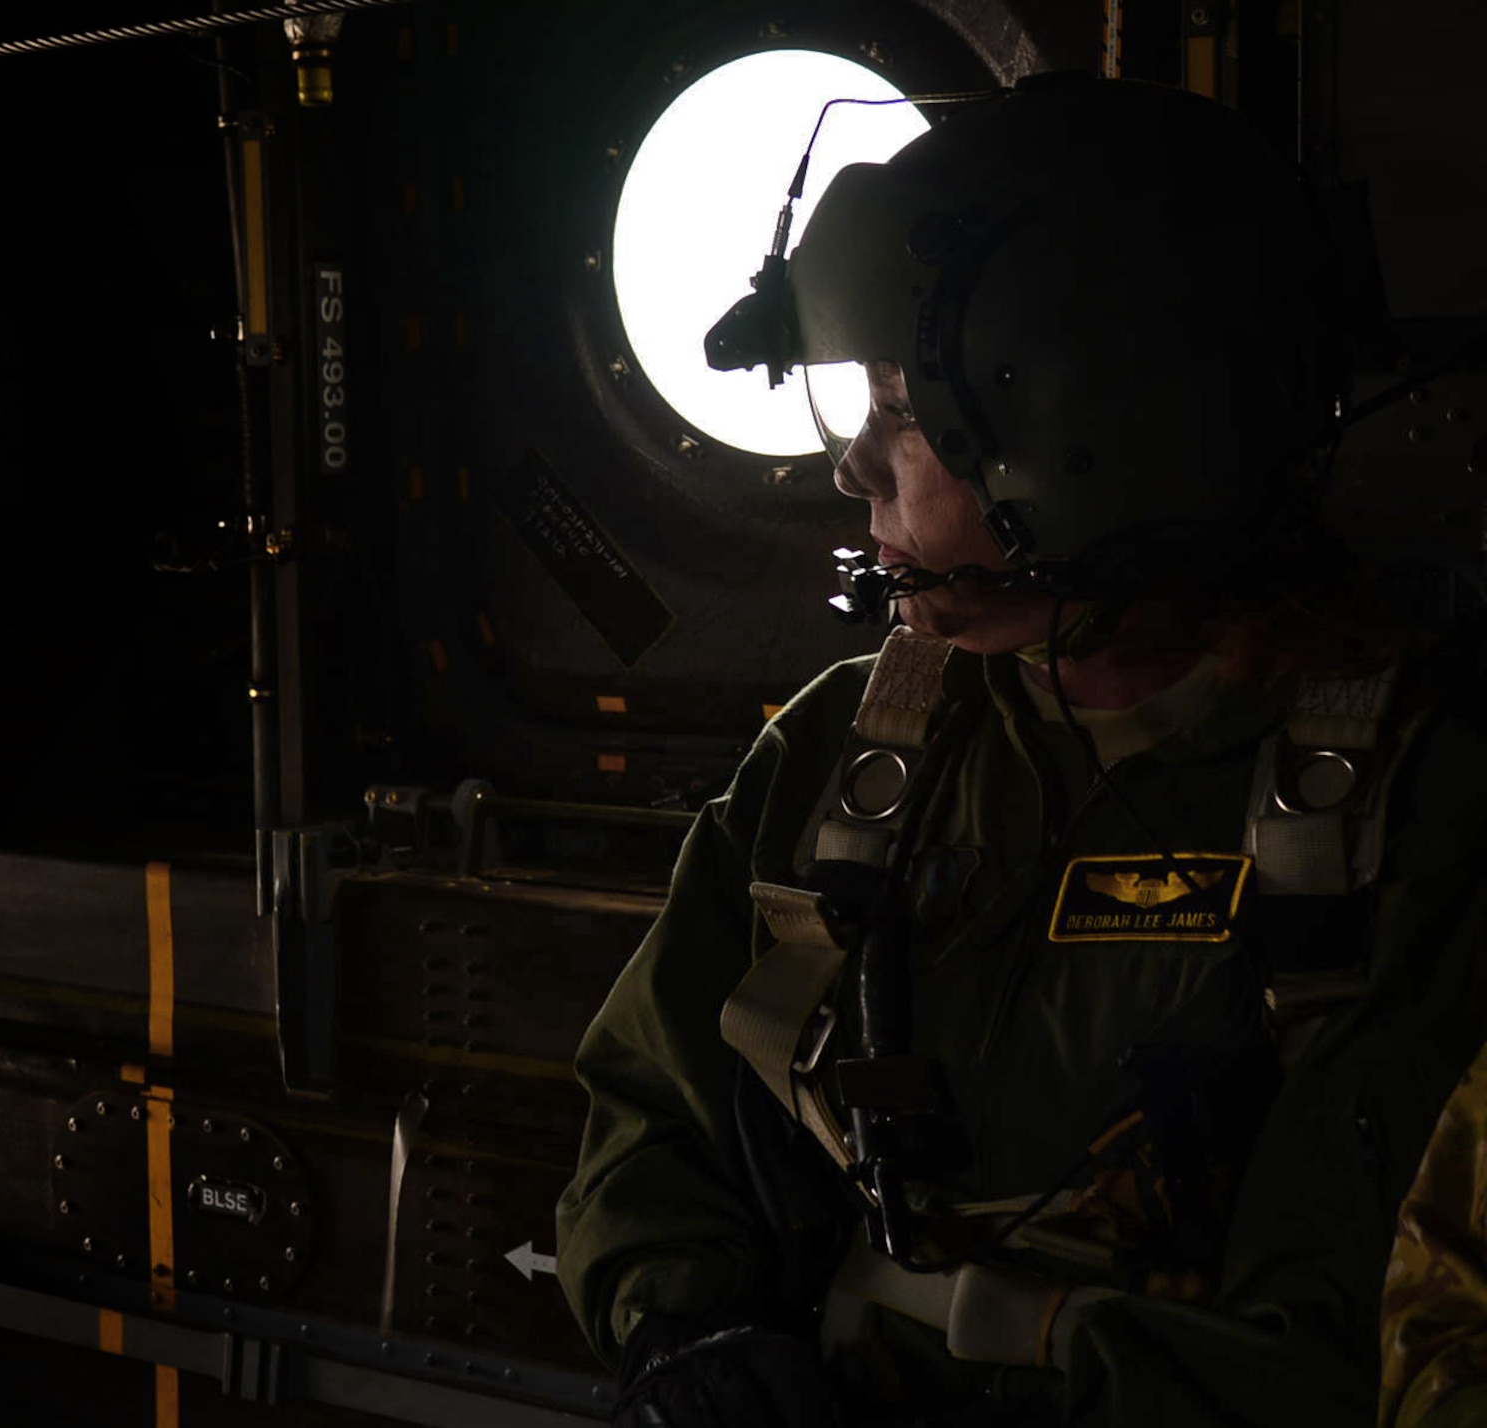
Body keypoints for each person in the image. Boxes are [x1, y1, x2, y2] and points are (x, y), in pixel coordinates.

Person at [556, 73, 1487, 1428]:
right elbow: (656, 1101)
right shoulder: (848, 751)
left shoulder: (1421, 797)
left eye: (907, 416)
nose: (854, 471)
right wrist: (683, 1327)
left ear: (1100, 426)